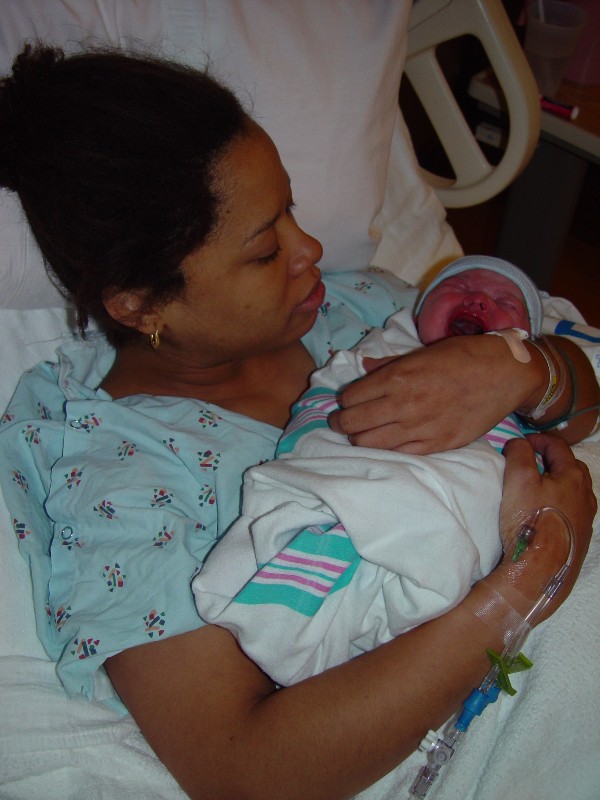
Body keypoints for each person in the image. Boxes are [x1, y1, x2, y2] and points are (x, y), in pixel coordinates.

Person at [0, 44, 596, 800]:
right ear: (141, 304)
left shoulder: (361, 307)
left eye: (291, 207)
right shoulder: (123, 485)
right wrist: (528, 583)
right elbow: (242, 768)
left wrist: (526, 369)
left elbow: (583, 383)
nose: (310, 249)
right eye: (263, 251)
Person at [192, 254, 599, 686]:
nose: (479, 299)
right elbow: (328, 403)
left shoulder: (518, 390)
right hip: (363, 478)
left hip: (455, 504)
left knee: (466, 507)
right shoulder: (379, 353)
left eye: (505, 302)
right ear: (418, 312)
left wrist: (525, 372)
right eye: (459, 288)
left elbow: (580, 415)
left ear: (526, 337)